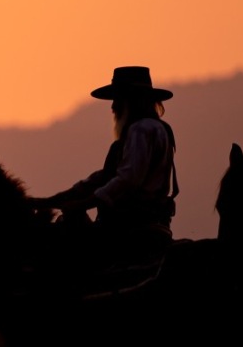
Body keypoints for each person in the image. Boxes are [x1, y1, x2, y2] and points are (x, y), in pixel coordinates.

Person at [37, 66, 179, 278]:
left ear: (130, 99)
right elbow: (103, 177)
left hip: (132, 224)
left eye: (117, 100)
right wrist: (55, 199)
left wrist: (84, 204)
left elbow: (127, 180)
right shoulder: (154, 129)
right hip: (148, 221)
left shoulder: (141, 130)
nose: (113, 107)